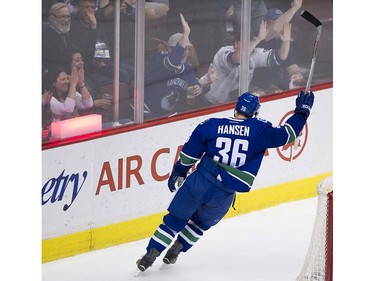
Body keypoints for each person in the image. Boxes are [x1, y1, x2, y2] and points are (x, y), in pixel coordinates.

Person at [135, 90, 315, 272]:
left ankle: (149, 256)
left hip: (199, 181)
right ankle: (176, 250)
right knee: (200, 224)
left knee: (174, 220)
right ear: (255, 112)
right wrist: (302, 111)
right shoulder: (260, 130)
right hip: (224, 192)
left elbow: (189, 154)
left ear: (236, 108)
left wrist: (179, 171)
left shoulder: (211, 125)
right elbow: (288, 133)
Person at [202, 19, 292, 105]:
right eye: (244, 42)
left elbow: (280, 57)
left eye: (249, 42)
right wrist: (257, 39)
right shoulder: (223, 52)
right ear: (235, 44)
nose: (247, 45)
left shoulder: (254, 53)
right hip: (213, 103)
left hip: (233, 103)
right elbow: (237, 59)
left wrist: (286, 41)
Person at [143, 13, 202, 116]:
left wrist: (198, 87)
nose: (184, 51)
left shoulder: (186, 67)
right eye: (179, 48)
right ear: (169, 49)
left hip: (167, 115)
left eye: (186, 48)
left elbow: (194, 83)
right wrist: (186, 34)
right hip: (146, 113)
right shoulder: (161, 59)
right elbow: (173, 61)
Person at [253, 4, 305, 91]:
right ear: (266, 24)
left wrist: (296, 75)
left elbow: (291, 65)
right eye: (278, 22)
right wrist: (294, 8)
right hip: (253, 86)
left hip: (271, 85)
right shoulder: (260, 36)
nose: (282, 25)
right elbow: (274, 29)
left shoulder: (283, 41)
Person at [42, 2, 77, 71]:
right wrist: (73, 56)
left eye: (68, 16)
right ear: (52, 18)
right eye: (62, 17)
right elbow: (55, 57)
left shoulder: (69, 32)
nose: (66, 20)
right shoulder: (44, 34)